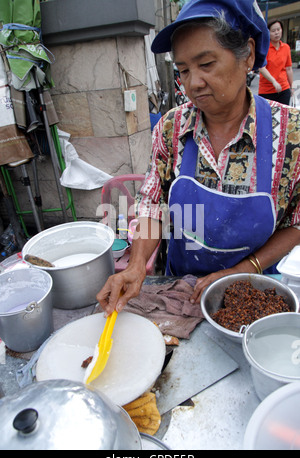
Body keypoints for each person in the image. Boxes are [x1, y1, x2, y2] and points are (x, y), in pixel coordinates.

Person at [97, 0, 300, 316]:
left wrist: (245, 268)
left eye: (206, 64)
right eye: (183, 70)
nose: (193, 83)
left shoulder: (291, 134)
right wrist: (136, 265)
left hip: (255, 289)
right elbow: (154, 204)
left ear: (246, 55)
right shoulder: (171, 126)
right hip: (182, 286)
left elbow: (298, 221)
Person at [258, 19, 293, 105]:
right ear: (268, 32)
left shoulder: (286, 48)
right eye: (273, 31)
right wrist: (274, 81)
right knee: (266, 116)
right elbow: (262, 68)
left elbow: (288, 68)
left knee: (283, 116)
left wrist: (291, 87)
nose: (276, 33)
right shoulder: (264, 48)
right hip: (266, 91)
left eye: (278, 29)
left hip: (283, 89)